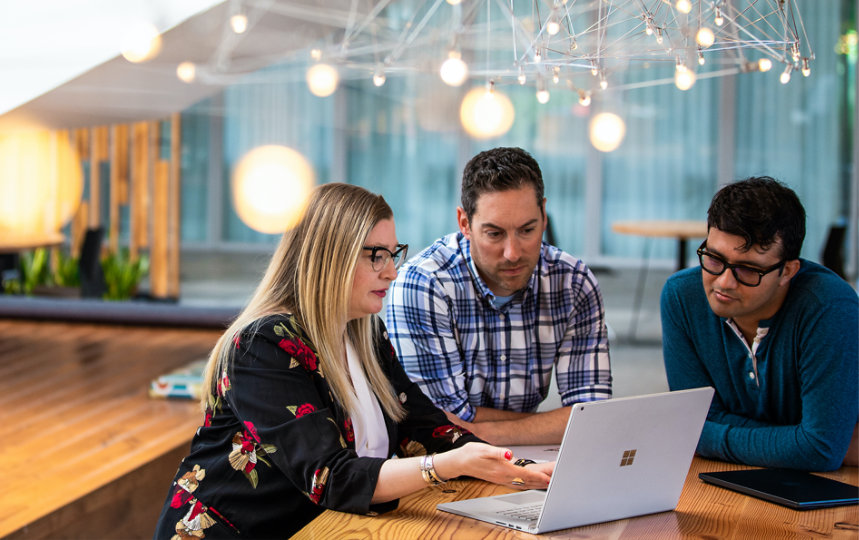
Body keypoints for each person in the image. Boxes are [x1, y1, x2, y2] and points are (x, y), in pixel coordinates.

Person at [153, 183, 553, 539]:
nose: (393, 271)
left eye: (393, 253)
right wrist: (445, 466)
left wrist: (521, 467)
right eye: (377, 256)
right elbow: (331, 477)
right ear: (330, 258)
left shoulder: (365, 334)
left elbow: (428, 429)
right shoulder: (263, 345)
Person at [386, 147, 612, 446]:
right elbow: (440, 425)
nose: (513, 253)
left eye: (527, 230)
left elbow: (594, 417)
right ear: (464, 223)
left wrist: (485, 430)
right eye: (494, 233)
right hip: (444, 465)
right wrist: (560, 421)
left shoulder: (573, 282)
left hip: (534, 457)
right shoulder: (424, 284)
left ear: (544, 214)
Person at [661, 176, 858, 471]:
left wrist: (706, 436)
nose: (724, 282)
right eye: (714, 259)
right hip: (741, 477)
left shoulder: (830, 308)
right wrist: (794, 438)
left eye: (747, 269)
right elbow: (691, 425)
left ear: (788, 271)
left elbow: (820, 449)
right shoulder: (682, 298)